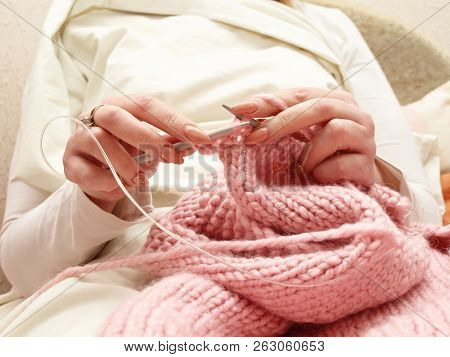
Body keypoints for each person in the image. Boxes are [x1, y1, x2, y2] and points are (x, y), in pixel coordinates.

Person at [0, 0, 442, 302]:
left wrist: (368, 176)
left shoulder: (326, 25)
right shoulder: (80, 17)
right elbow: (21, 268)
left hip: (333, 244)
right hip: (137, 269)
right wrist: (96, 194)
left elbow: (421, 220)